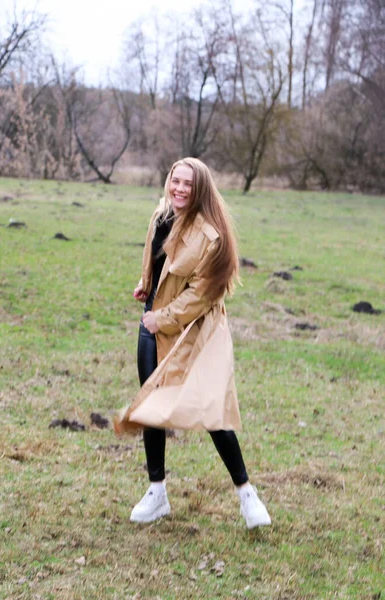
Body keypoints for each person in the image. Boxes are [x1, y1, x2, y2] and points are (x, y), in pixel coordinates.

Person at [114, 157, 271, 529]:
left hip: (194, 330)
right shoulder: (161, 215)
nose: (179, 189)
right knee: (151, 405)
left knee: (211, 408)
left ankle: (247, 495)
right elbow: (157, 260)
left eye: (188, 184)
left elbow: (201, 294)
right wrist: (146, 284)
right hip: (155, 323)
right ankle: (157, 493)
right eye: (175, 180)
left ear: (200, 189)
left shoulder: (211, 236)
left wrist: (161, 317)